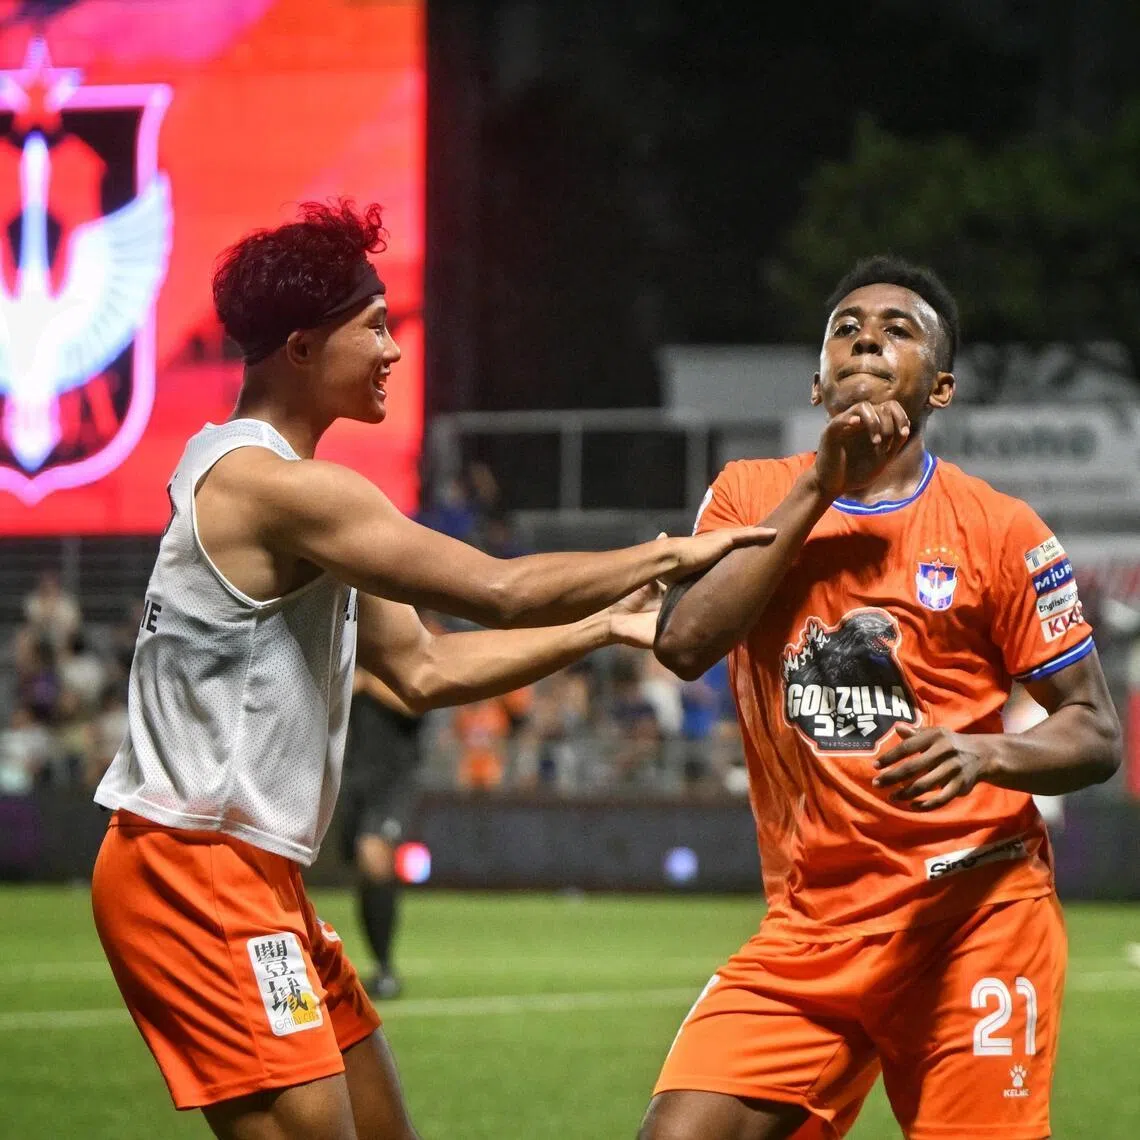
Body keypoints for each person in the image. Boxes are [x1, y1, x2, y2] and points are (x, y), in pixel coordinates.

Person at [88, 199, 774, 1140]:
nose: (392, 352)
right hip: (194, 871)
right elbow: (499, 590)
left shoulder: (272, 487)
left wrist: (607, 626)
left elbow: (422, 669)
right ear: (300, 346)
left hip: (252, 877)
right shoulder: (280, 490)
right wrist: (669, 556)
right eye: (374, 328)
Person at [645, 255, 1121, 1140]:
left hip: (970, 918)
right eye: (846, 328)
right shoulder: (750, 494)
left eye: (898, 328)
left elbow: (1096, 733)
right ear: (816, 378)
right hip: (811, 925)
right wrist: (819, 485)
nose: (866, 335)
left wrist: (986, 752)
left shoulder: (1001, 529)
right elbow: (684, 643)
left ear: (939, 388)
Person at [341, 667, 426, 1001]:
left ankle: (386, 967)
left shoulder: (403, 643)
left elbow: (420, 700)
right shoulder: (347, 641)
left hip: (393, 780)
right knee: (366, 871)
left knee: (373, 856)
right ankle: (378, 965)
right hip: (352, 777)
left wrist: (369, 683)